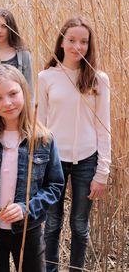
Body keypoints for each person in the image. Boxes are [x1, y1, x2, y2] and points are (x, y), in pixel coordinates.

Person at [0, 64, 64, 272]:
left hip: (29, 230)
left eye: (13, 93)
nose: (7, 103)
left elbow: (55, 185)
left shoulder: (43, 140)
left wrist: (25, 208)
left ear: (24, 92)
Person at [38, 17, 111, 272]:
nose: (77, 47)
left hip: (87, 160)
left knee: (79, 225)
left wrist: (102, 172)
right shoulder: (46, 77)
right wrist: (38, 166)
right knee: (53, 223)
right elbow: (40, 127)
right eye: (71, 40)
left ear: (89, 45)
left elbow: (104, 127)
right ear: (61, 42)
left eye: (83, 42)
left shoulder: (98, 80)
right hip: (53, 161)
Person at [0, 8, 33, 96]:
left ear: (11, 28)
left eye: (3, 26)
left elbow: (29, 89)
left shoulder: (23, 55)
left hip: (13, 107)